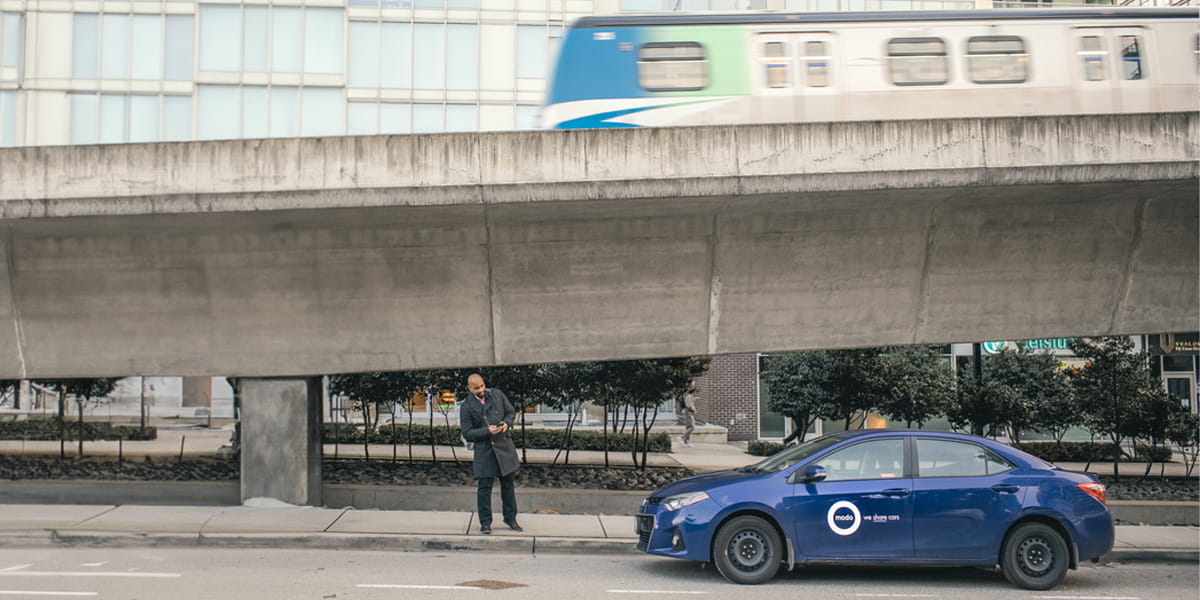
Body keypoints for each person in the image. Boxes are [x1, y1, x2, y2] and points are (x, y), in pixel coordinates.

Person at [459, 373, 521, 534]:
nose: (480, 389)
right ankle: (485, 523)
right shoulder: (466, 407)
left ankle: (511, 519)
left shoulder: (497, 394)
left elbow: (510, 412)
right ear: (469, 388)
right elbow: (467, 433)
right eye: (476, 388)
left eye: (482, 386)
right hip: (485, 451)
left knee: (508, 486)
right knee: (484, 488)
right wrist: (487, 431)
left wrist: (506, 424)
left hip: (504, 447)